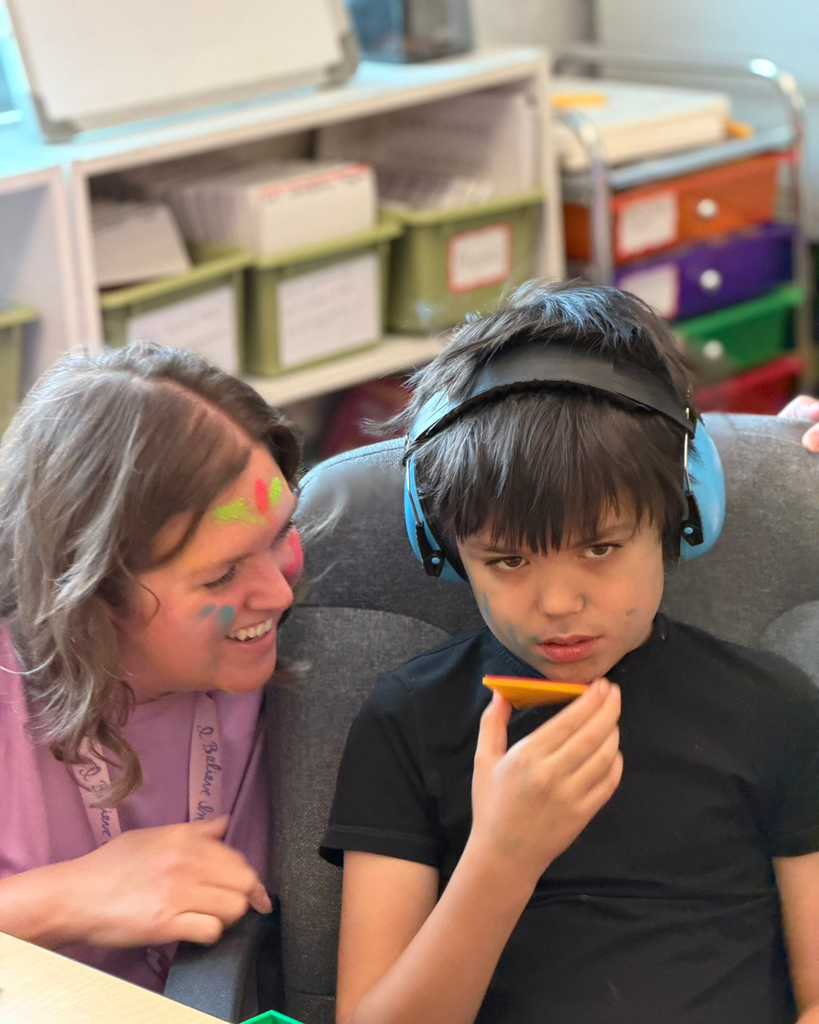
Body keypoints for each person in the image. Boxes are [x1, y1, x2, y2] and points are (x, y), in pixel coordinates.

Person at [320, 282, 819, 1024]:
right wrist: (503, 856)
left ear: (682, 517)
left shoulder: (773, 709)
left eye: (600, 547)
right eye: (508, 560)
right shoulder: (409, 721)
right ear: (447, 549)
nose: (556, 604)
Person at [0, 340, 304, 993]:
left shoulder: (308, 635)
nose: (279, 593)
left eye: (281, 533)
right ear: (91, 592)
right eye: (221, 575)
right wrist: (61, 900)